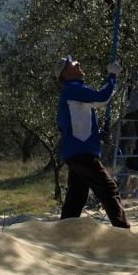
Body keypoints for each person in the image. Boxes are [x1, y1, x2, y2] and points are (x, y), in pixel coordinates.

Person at [55, 55, 130, 229]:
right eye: (74, 62)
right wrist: (112, 76)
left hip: (75, 152)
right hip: (81, 153)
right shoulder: (73, 88)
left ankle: (63, 234)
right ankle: (123, 233)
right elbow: (102, 97)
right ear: (65, 73)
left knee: (76, 197)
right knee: (109, 189)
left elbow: (77, 122)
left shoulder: (72, 91)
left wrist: (96, 133)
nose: (79, 62)